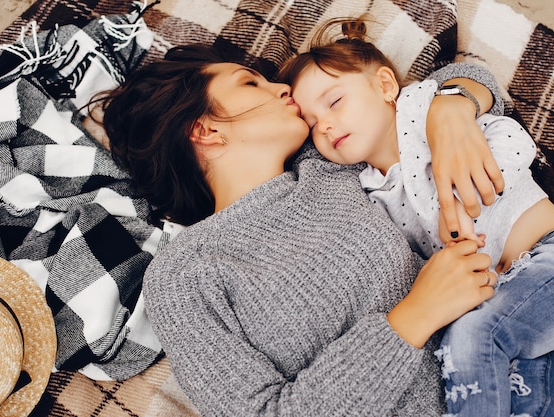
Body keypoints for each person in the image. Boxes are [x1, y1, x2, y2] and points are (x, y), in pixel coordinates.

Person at [98, 44, 503, 416]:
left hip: (510, 368)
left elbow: (457, 79)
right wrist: (415, 317)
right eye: (251, 82)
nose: (281, 89)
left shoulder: (329, 161)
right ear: (206, 130)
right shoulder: (182, 274)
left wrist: (452, 108)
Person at [280, 16, 554, 417]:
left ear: (385, 86)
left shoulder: (422, 109)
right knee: (526, 403)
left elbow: (515, 140)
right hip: (524, 306)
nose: (323, 124)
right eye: (310, 125)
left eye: (335, 101)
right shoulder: (368, 191)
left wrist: (460, 201)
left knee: (470, 338)